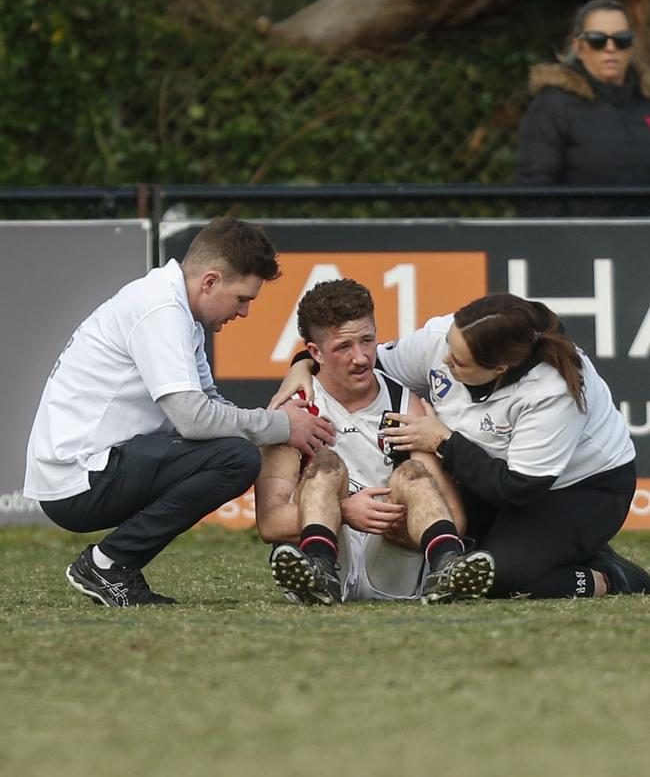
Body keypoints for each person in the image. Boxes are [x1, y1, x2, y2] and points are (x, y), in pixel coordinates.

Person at [23, 216, 334, 608]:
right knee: (235, 458)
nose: (245, 313)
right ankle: (108, 564)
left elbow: (208, 404)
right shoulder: (159, 309)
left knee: (235, 450)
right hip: (77, 479)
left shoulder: (177, 310)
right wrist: (279, 425)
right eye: (243, 298)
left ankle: (110, 564)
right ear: (210, 281)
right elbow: (192, 418)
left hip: (88, 469)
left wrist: (273, 423)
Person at [273, 292, 650, 600]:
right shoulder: (443, 338)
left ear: (499, 367)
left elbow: (517, 487)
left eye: (459, 361)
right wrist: (303, 363)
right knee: (455, 559)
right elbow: (367, 363)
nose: (445, 360)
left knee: (499, 580)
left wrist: (441, 440)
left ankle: (611, 576)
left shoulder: (553, 389)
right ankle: (557, 551)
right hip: (488, 469)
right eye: (449, 347)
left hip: (576, 488)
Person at [255, 278, 495, 606]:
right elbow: (270, 523)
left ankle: (448, 568)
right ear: (314, 352)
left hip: (392, 560)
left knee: (411, 473)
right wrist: (345, 513)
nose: (362, 358)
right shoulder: (295, 410)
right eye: (343, 347)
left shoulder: (402, 401)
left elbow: (455, 516)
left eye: (367, 340)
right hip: (324, 550)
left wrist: (398, 521)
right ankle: (318, 571)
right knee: (326, 466)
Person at [516, 0, 650, 205]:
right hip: (581, 235)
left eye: (621, 39)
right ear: (578, 47)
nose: (610, 48)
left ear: (631, 46)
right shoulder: (553, 105)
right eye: (597, 40)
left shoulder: (645, 100)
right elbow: (534, 190)